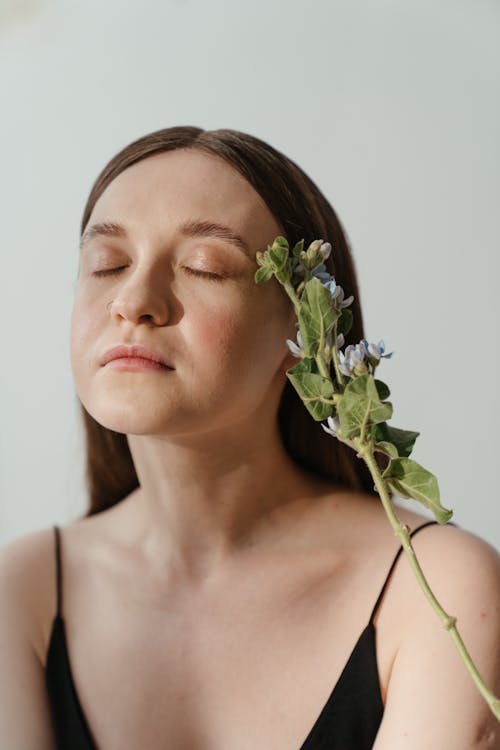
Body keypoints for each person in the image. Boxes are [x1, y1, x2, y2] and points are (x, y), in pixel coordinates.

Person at [1, 126, 499, 750]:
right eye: (107, 264)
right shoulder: (23, 591)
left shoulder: (436, 587)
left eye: (204, 267)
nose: (133, 300)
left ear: (305, 332)